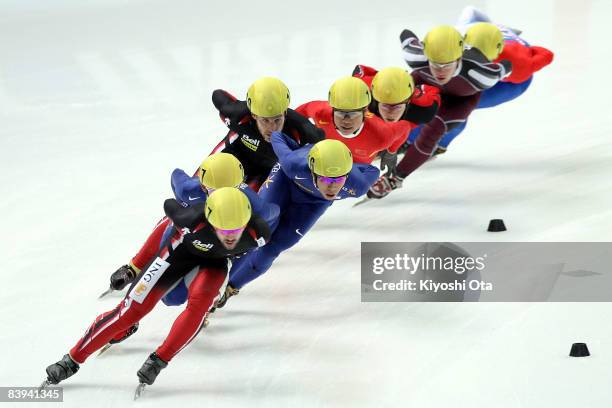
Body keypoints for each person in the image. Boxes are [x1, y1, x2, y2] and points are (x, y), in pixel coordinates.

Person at [43, 188, 271, 391]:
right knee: (130, 311)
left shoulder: (259, 233)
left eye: (237, 230)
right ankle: (72, 359)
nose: (230, 237)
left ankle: (159, 360)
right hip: (176, 257)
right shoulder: (190, 218)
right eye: (224, 230)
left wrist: (229, 283)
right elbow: (169, 205)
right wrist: (136, 265)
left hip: (215, 265)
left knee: (200, 306)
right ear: (210, 219)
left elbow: (269, 219)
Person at [217, 133, 380, 307]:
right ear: (312, 169)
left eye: (339, 179)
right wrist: (303, 145)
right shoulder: (294, 164)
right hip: (284, 182)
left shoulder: (358, 186)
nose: (332, 186)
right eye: (325, 179)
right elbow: (278, 136)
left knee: (273, 248)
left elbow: (374, 170)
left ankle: (230, 288)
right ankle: (217, 282)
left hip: (314, 203)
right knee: (259, 231)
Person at [368, 25, 512, 199]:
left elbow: (506, 66)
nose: (440, 71)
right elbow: (405, 34)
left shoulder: (482, 75)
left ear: (459, 58)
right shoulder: (415, 55)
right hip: (428, 85)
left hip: (459, 101)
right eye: (435, 64)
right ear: (426, 55)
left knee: (434, 130)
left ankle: (395, 178)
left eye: (447, 65)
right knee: (390, 101)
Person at [105, 153, 278, 297]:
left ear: (241, 186)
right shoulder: (188, 190)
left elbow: (273, 212)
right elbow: (176, 175)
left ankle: (221, 291)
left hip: (223, 243)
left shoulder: (254, 205)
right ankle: (135, 267)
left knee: (247, 244)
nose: (222, 198)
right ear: (203, 186)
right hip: (196, 234)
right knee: (172, 222)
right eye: (215, 192)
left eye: (231, 191)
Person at [434, 9, 554, 151]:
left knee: (456, 105)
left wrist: (528, 50)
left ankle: (437, 143)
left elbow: (546, 55)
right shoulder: (460, 31)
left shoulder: (519, 64)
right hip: (494, 43)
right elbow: (471, 10)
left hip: (512, 84)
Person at [210, 76, 324, 188]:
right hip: (234, 155)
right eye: (265, 120)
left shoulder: (303, 130)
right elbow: (218, 95)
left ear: (285, 113)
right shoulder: (238, 115)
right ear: (254, 115)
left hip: (268, 171)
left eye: (277, 120)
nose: (272, 128)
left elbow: (323, 147)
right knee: (203, 184)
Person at [295, 76, 408, 164]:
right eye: (340, 113)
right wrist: (293, 137)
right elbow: (300, 112)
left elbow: (405, 127)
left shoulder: (382, 135)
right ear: (332, 110)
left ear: (365, 112)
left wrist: (391, 151)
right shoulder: (321, 112)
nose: (346, 121)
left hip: (357, 169)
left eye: (353, 114)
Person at [352, 65, 441, 173]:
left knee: (449, 123)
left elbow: (404, 128)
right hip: (376, 85)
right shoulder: (361, 93)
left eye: (397, 106)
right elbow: (360, 70)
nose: (391, 112)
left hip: (419, 95)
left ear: (408, 102)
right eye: (385, 106)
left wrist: (391, 149)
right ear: (375, 101)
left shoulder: (424, 109)